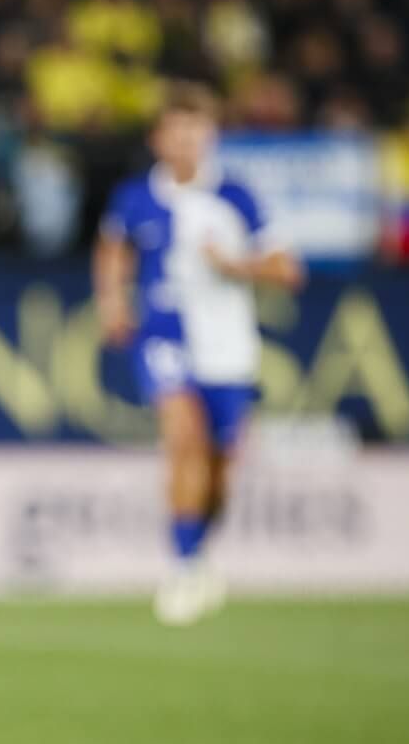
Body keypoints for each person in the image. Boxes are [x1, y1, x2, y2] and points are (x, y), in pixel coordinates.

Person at [93, 84, 302, 626]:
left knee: (220, 466)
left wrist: (238, 267)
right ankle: (183, 568)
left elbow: (287, 268)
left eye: (196, 130)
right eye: (176, 130)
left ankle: (198, 550)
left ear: (209, 136)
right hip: (166, 332)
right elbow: (113, 251)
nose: (186, 141)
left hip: (229, 344)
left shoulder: (236, 196)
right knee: (182, 437)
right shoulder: (136, 196)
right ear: (158, 138)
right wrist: (113, 302)